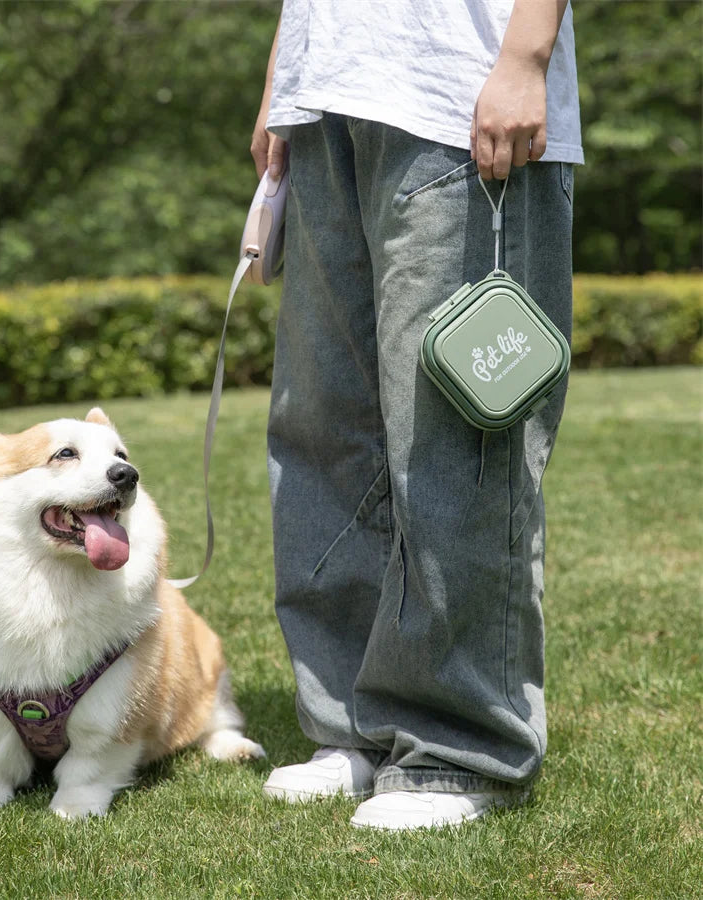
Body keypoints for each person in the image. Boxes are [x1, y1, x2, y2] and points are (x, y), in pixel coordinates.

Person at [251, 0, 583, 831]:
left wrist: (525, 55)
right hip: (328, 98)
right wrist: (282, 87)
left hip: (460, 93)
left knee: (454, 434)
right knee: (326, 428)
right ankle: (351, 726)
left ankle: (460, 746)